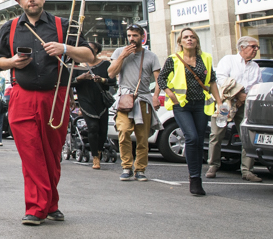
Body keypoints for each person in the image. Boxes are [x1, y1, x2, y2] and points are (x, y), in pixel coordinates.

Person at [0, 0, 93, 225]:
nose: (31, 0)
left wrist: (65, 48)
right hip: (22, 96)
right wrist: (12, 62)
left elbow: (90, 56)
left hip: (55, 95)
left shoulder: (64, 25)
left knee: (51, 153)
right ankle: (36, 208)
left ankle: (50, 204)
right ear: (19, 1)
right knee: (31, 153)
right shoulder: (10, 27)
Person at [158, 27, 219, 196]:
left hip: (201, 105)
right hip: (182, 105)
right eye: (185, 37)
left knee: (198, 141)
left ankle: (197, 179)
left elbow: (212, 81)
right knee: (191, 137)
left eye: (192, 37)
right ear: (180, 42)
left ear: (197, 41)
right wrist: (171, 94)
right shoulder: (173, 59)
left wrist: (220, 103)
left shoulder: (206, 58)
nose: (189, 39)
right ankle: (194, 178)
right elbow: (161, 78)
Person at [109, 24, 159, 181]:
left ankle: (140, 169)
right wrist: (122, 56)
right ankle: (126, 166)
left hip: (143, 99)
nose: (131, 38)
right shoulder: (119, 52)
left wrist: (156, 96)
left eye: (135, 35)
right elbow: (111, 73)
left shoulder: (151, 56)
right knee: (123, 132)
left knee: (142, 137)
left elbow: (159, 79)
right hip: (125, 99)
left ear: (142, 37)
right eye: (129, 35)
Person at [210, 36, 262, 182]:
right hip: (226, 103)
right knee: (217, 134)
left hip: (246, 104)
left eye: (257, 47)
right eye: (253, 47)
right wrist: (238, 94)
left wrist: (245, 97)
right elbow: (221, 79)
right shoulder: (229, 60)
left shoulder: (255, 66)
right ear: (242, 47)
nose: (256, 50)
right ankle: (213, 165)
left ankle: (247, 170)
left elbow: (258, 85)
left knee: (247, 136)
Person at [74, 42, 115, 170]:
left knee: (103, 130)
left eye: (90, 48)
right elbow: (70, 83)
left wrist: (102, 80)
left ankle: (99, 150)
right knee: (93, 127)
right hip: (85, 100)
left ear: (96, 50)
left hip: (101, 101)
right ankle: (95, 156)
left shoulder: (105, 64)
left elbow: (113, 81)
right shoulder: (78, 67)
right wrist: (80, 78)